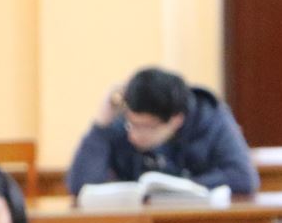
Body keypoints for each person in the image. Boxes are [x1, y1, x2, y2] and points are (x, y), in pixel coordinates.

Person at [67, 66, 258, 195]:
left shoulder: (209, 117)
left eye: (146, 127)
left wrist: (177, 189)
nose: (133, 135)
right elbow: (81, 187)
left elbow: (243, 178)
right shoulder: (121, 122)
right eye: (131, 124)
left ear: (176, 120)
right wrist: (101, 127)